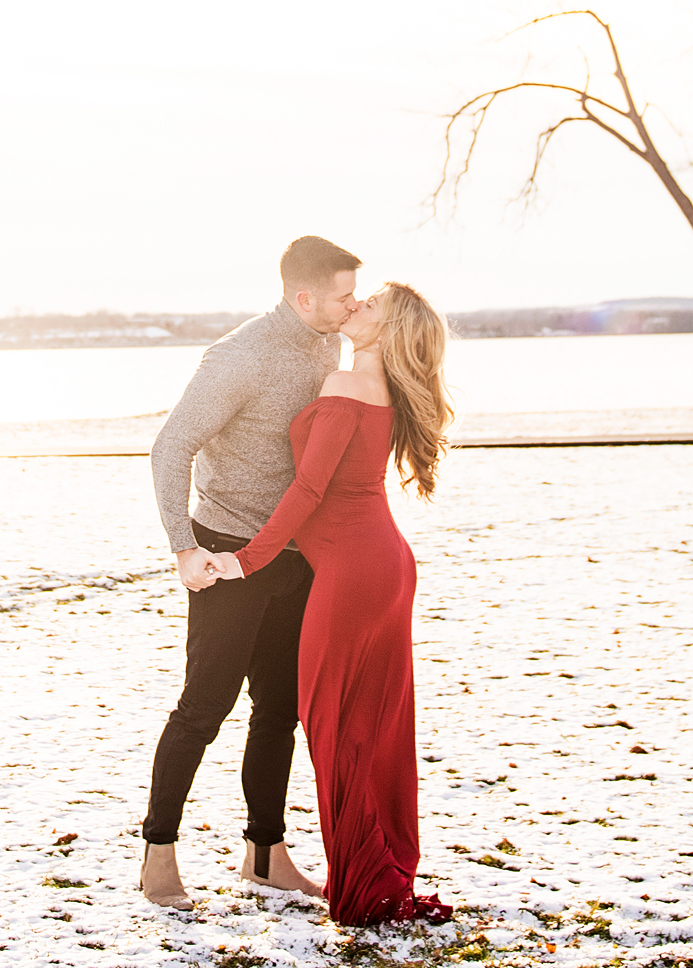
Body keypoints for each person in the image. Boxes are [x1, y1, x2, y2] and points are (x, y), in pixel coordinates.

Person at [209, 282, 456, 926]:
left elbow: (310, 488)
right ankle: (377, 867)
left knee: (334, 723)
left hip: (354, 572)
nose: (355, 306)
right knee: (374, 728)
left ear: (387, 328)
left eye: (368, 304)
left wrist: (245, 559)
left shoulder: (346, 386)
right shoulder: (379, 387)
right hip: (383, 566)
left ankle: (367, 879)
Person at [138, 236, 362, 911]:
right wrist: (183, 547)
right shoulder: (238, 357)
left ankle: (265, 855)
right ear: (304, 297)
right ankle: (158, 856)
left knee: (279, 711)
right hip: (227, 554)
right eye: (343, 295)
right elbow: (170, 446)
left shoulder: (330, 342)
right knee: (204, 709)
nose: (353, 305)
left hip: (294, 556)